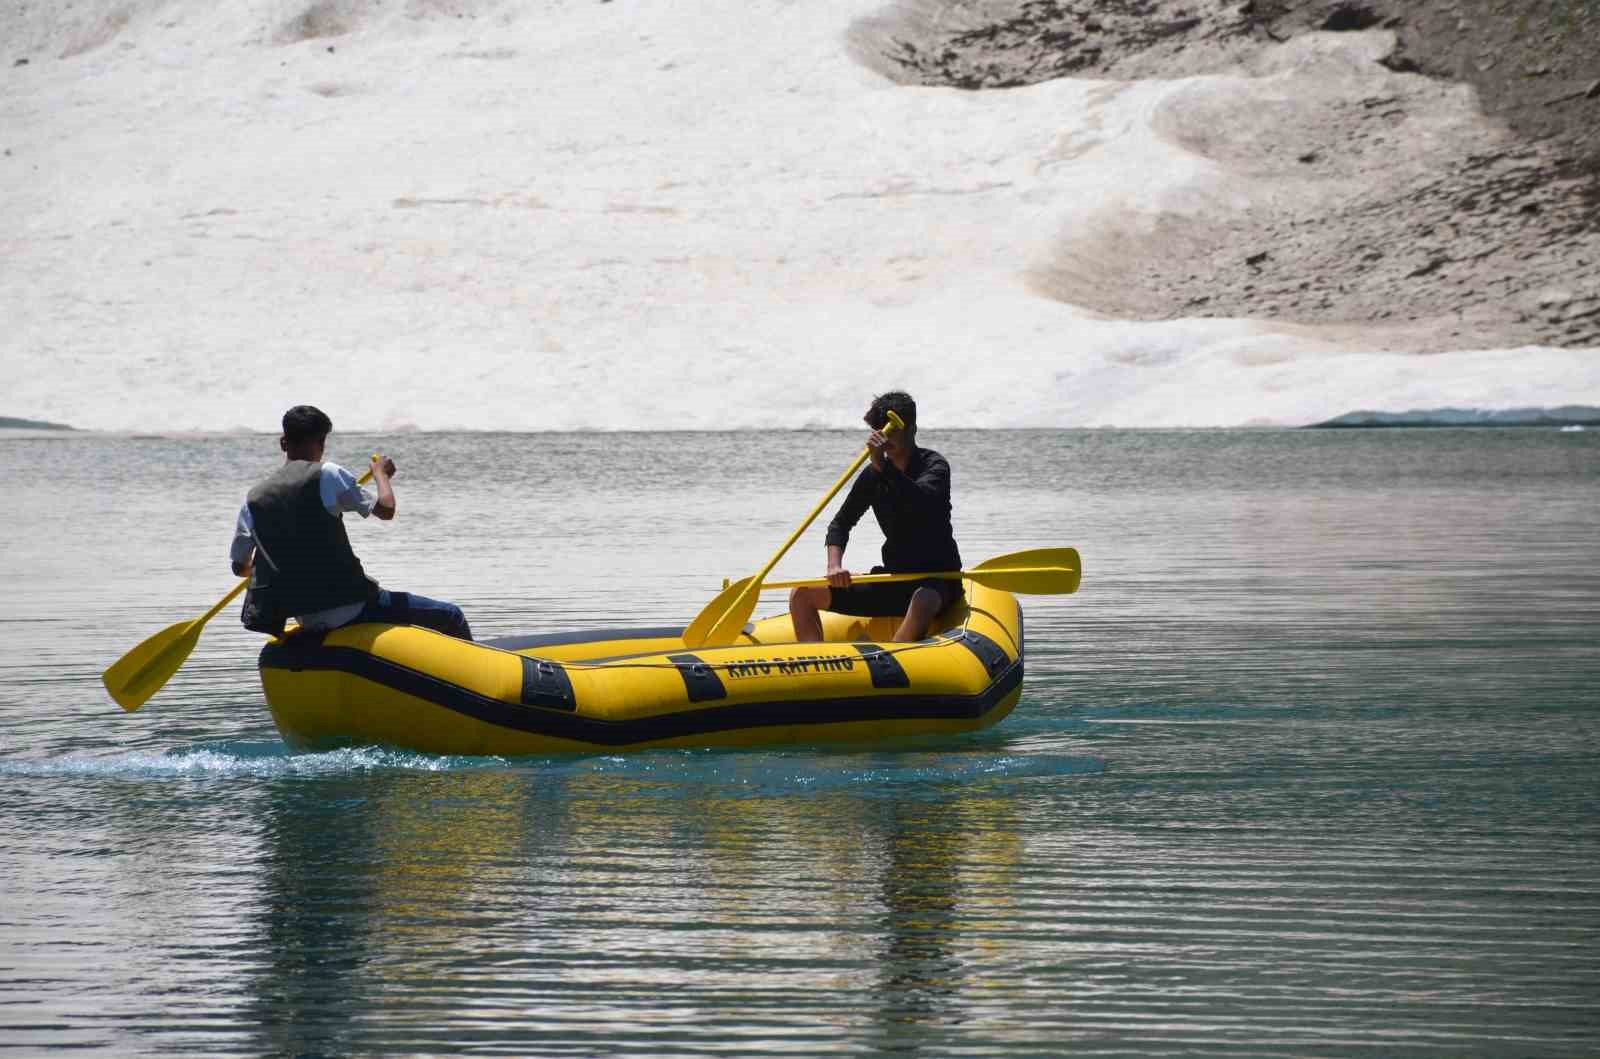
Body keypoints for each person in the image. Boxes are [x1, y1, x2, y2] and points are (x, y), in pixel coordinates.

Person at [229, 405, 472, 640]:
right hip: (354, 607)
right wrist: (381, 474)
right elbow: (386, 510)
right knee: (451, 616)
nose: (322, 450)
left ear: (284, 442)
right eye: (322, 442)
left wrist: (274, 565)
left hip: (306, 618)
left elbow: (239, 568)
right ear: (320, 442)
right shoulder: (328, 474)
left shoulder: (253, 500)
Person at [789, 391, 962, 643]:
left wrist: (883, 466)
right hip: (893, 578)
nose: (885, 436)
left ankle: (892, 663)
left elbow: (920, 501)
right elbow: (841, 524)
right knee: (801, 593)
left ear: (912, 429)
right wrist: (834, 566)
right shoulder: (873, 475)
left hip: (938, 581)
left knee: (923, 599)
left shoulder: (934, 466)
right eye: (880, 429)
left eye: (893, 429)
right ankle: (816, 668)